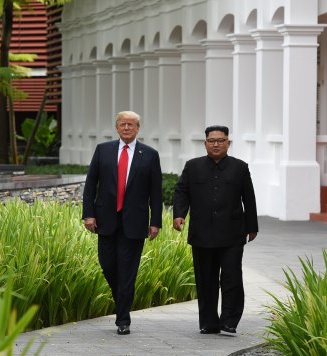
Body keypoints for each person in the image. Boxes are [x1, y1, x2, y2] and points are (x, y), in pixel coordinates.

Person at [82, 110, 163, 335]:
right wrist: (88, 215)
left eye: (131, 125)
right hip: (105, 220)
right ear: (117, 127)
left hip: (134, 223)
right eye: (122, 124)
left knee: (127, 271)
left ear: (138, 128)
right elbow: (90, 185)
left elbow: (155, 192)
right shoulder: (103, 151)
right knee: (107, 264)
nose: (126, 128)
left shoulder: (149, 154)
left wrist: (155, 221)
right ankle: (123, 300)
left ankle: (123, 319)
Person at [172, 125, 258, 336]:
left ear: (228, 142)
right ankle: (209, 323)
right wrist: (179, 214)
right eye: (212, 140)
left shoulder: (240, 167)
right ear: (205, 143)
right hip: (202, 234)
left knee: (232, 278)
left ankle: (229, 322)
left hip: (232, 234)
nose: (216, 144)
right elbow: (182, 191)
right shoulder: (193, 167)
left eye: (221, 140)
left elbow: (249, 198)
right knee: (206, 280)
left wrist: (252, 226)